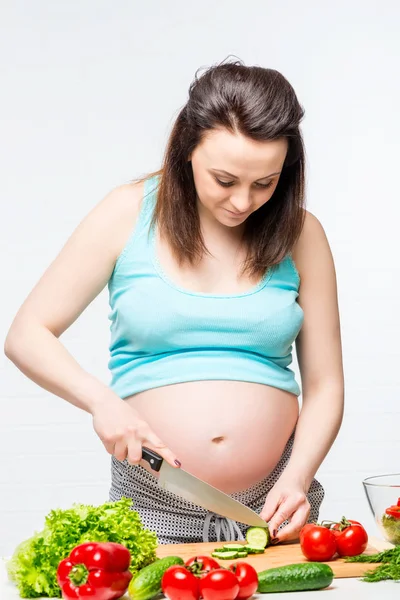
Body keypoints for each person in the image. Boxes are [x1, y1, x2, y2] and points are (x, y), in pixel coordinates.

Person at [4, 60, 344, 546]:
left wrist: (297, 478)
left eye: (264, 183)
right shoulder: (126, 212)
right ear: (187, 149)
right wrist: (103, 403)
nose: (243, 202)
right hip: (153, 499)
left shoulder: (303, 235)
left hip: (275, 505)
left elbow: (326, 383)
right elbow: (26, 334)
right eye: (225, 180)